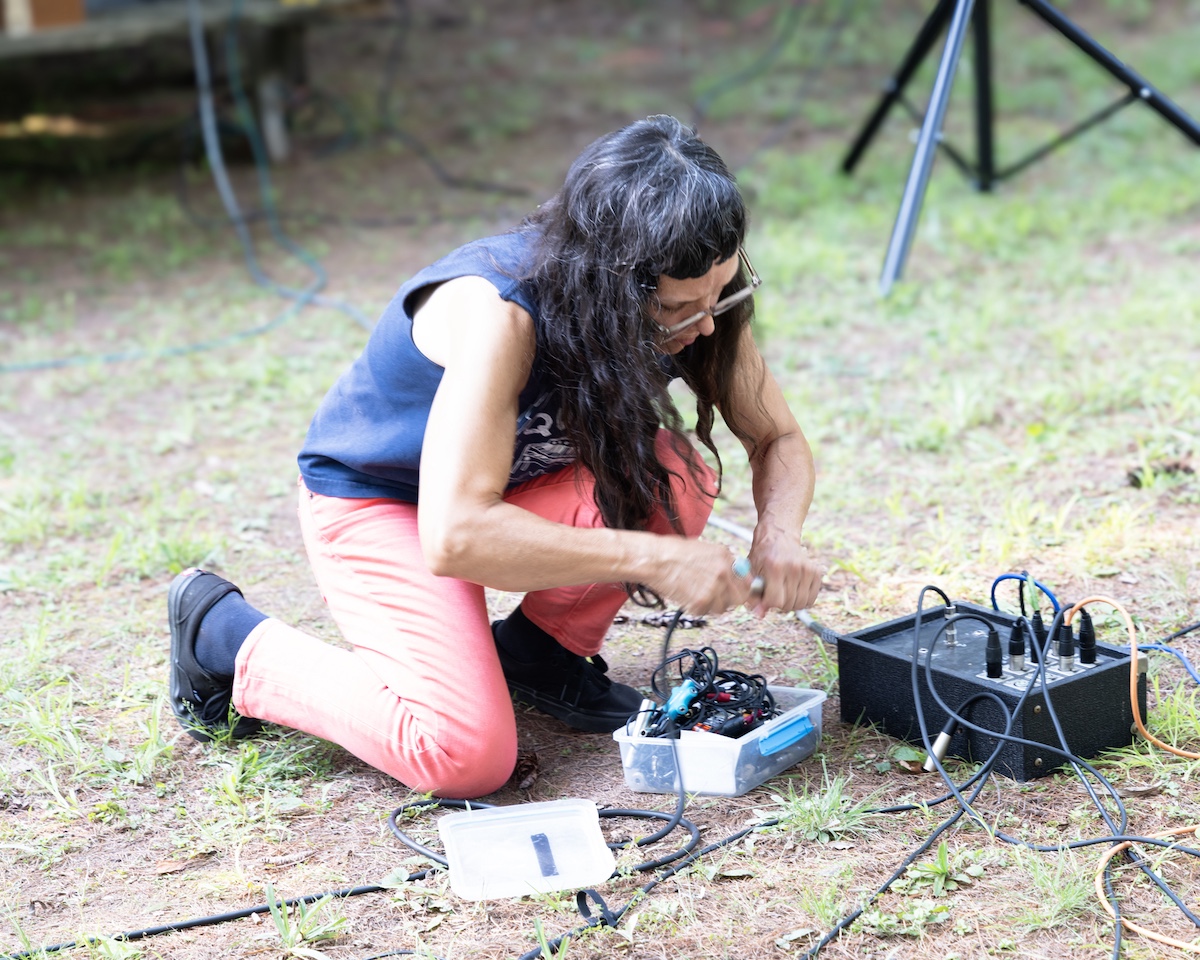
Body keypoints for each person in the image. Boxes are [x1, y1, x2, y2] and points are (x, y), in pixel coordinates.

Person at [167, 114, 822, 800]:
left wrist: (778, 534)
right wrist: (650, 558)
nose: (708, 323)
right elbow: (456, 536)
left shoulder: (695, 305)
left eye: (719, 292)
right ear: (611, 287)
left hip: (508, 485)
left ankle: (542, 658)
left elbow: (777, 437)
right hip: (386, 503)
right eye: (682, 307)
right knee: (462, 756)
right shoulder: (498, 314)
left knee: (676, 475)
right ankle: (226, 637)